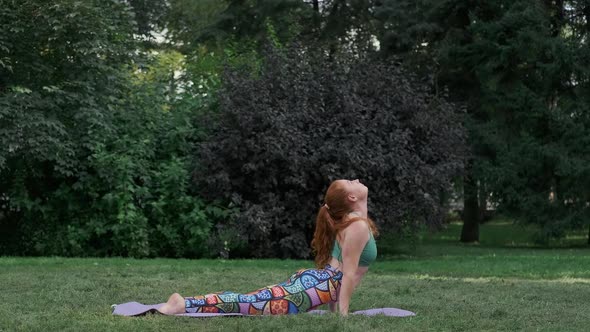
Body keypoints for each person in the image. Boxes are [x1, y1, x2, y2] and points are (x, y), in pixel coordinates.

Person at [158, 179, 378, 316]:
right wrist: (343, 315)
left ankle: (185, 303)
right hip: (316, 286)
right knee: (251, 303)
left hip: (317, 282)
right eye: (351, 182)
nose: (357, 179)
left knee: (253, 300)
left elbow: (337, 267)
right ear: (352, 197)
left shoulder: (352, 220)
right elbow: (347, 275)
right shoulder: (356, 224)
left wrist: (334, 309)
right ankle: (183, 303)